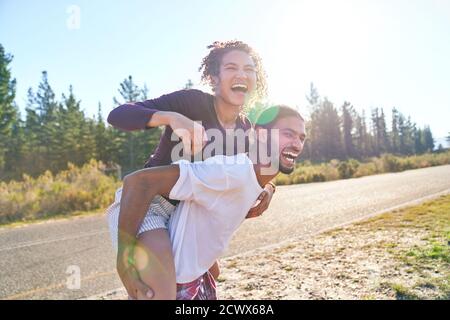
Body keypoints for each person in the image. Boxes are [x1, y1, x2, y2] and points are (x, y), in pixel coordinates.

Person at [106, 40, 276, 299]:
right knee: (161, 291)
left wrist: (269, 188)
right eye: (231, 67)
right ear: (214, 77)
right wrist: (171, 117)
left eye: (249, 69)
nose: (241, 74)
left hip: (190, 216)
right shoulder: (191, 103)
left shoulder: (245, 130)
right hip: (146, 204)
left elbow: (258, 171)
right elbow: (118, 114)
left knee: (211, 276)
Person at [110, 105, 306, 300]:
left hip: (195, 272)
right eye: (288, 134)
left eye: (301, 138)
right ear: (261, 135)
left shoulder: (253, 179)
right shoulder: (231, 172)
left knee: (214, 274)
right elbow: (138, 182)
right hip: (171, 268)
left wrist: (270, 188)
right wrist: (123, 257)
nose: (297, 144)